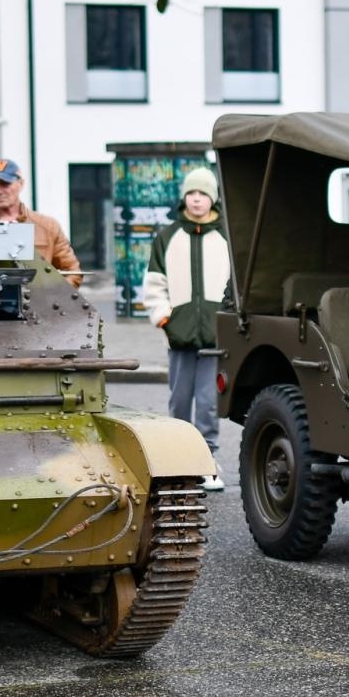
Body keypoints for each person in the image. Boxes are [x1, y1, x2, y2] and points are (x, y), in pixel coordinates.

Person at [142, 167, 231, 491]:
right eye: (191, 193)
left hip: (214, 336)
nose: (196, 199)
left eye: (203, 194)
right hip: (179, 336)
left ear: (212, 199)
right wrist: (164, 318)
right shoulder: (167, 237)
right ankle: (179, 463)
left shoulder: (226, 237)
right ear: (184, 198)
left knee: (208, 403)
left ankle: (207, 462)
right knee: (179, 402)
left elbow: (235, 284)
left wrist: (227, 319)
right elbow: (154, 283)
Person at [0, 159, 82, 288]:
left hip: (38, 299)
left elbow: (72, 272)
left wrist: (52, 295)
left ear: (21, 184)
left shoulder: (47, 226)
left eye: (5, 184)